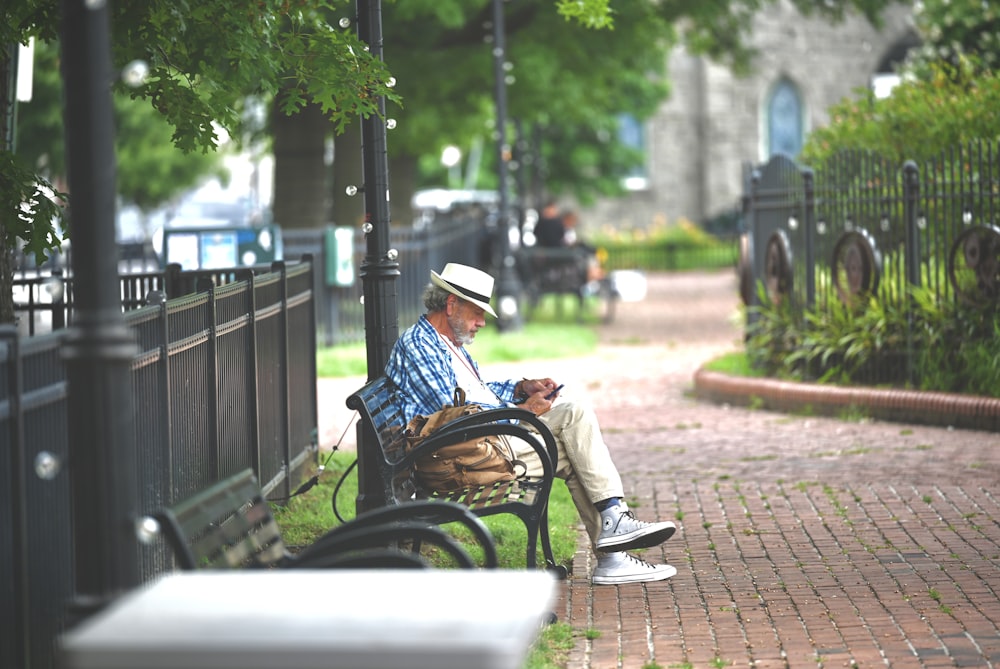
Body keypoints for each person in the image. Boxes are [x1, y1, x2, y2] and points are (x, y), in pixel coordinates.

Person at [384, 262, 678, 585]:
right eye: (477, 313)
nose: (482, 322)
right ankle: (613, 538)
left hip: (480, 443)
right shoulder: (420, 346)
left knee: (572, 436)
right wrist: (523, 410)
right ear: (451, 304)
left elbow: (477, 392)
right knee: (573, 421)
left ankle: (612, 539)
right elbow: (455, 412)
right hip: (459, 457)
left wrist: (521, 388)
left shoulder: (447, 344)